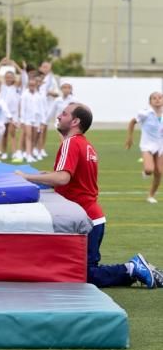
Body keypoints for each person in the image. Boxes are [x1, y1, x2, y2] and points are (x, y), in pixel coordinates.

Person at [17, 102, 163, 289]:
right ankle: (132, 269)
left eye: (64, 114)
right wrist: (43, 176)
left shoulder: (70, 143)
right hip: (91, 218)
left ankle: (132, 269)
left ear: (75, 121)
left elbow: (62, 178)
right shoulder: (85, 145)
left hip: (84, 220)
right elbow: (71, 178)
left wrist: (26, 177)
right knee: (76, 269)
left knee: (84, 274)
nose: (59, 116)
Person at [125, 91, 163, 204]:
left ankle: (151, 195)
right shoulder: (145, 113)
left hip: (161, 145)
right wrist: (130, 138)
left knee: (159, 172)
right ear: (150, 101)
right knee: (149, 170)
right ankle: (145, 172)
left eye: (160, 97)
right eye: (154, 98)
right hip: (147, 145)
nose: (157, 100)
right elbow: (132, 122)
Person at [0, 58, 22, 161]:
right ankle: (3, 152)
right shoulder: (2, 86)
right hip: (3, 114)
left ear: (13, 78)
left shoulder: (17, 86)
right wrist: (1, 63)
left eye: (11, 77)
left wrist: (15, 65)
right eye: (7, 77)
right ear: (5, 78)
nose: (9, 78)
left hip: (13, 114)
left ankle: (14, 152)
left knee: (12, 133)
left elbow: (23, 75)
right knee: (4, 134)